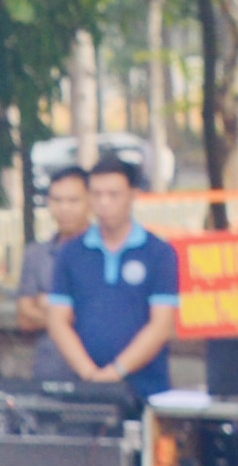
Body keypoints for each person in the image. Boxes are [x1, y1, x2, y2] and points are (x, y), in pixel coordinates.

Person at [42, 157, 178, 409]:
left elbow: (161, 325)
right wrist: (90, 374)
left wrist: (115, 373)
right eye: (97, 194)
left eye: (114, 194)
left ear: (132, 195)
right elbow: (58, 321)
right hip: (85, 389)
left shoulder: (159, 252)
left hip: (147, 389)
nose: (104, 203)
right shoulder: (70, 254)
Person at [11, 162, 92, 379]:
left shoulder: (105, 250)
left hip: (98, 366)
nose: (64, 208)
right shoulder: (36, 254)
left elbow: (107, 316)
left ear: (90, 200)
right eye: (57, 200)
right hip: (51, 368)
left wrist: (51, 306)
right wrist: (71, 316)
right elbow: (25, 319)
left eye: (73, 200)